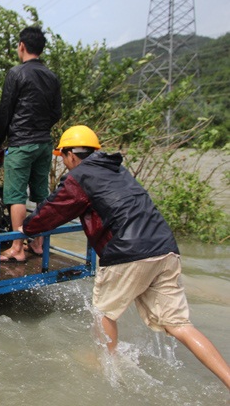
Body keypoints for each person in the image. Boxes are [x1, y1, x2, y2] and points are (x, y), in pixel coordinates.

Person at [18, 125, 230, 389]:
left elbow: (54, 210)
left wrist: (25, 228)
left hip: (127, 252)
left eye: (63, 156)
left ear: (71, 154)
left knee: (104, 313)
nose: (63, 162)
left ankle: (106, 368)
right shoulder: (117, 170)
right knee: (179, 325)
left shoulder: (80, 176)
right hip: (165, 248)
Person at [0, 26, 62, 262]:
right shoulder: (52, 76)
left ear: (22, 46)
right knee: (42, 193)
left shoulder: (16, 73)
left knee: (16, 196)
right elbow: (56, 113)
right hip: (44, 143)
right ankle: (39, 243)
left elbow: (6, 111)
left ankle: (17, 247)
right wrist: (41, 126)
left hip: (21, 143)